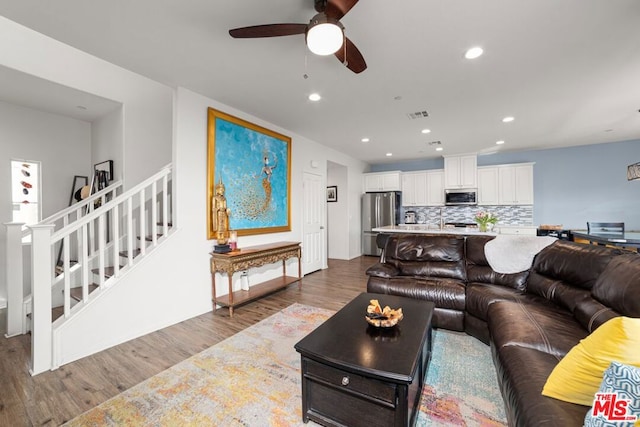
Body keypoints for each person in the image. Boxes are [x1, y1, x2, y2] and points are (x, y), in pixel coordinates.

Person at [212, 178, 231, 244]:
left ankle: (223, 237)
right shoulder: (215, 198)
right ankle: (220, 238)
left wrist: (227, 210)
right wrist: (218, 209)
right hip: (219, 213)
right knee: (220, 226)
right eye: (221, 189)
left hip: (223, 213)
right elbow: (213, 208)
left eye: (223, 189)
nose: (222, 190)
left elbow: (225, 207)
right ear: (217, 190)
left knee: (224, 226)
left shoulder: (224, 198)